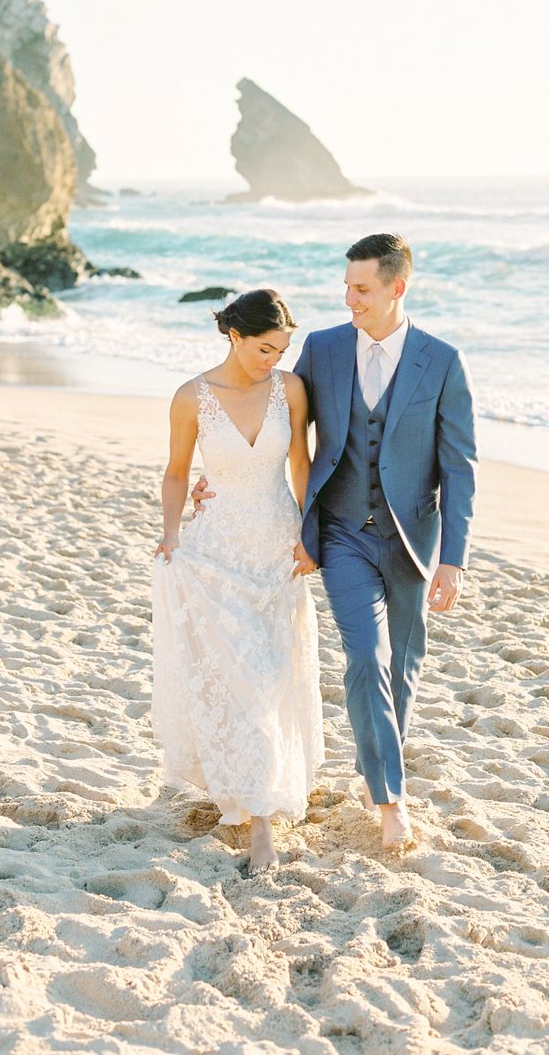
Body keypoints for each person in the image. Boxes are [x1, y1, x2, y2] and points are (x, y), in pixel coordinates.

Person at [196, 233, 475, 849]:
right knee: (365, 657)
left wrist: (453, 559)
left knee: (402, 667)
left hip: (411, 543)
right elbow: (273, 420)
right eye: (347, 285)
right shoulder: (321, 351)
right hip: (343, 532)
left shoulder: (442, 361)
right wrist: (214, 478)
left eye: (362, 288)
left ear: (397, 288)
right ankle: (389, 801)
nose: (348, 298)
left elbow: (459, 467)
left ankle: (377, 764)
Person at [151, 289, 324, 877]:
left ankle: (259, 792)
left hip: (276, 548)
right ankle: (259, 827)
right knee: (240, 680)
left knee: (273, 675)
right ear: (234, 335)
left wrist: (309, 533)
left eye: (281, 350)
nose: (271, 360)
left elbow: (300, 463)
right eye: (263, 348)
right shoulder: (191, 398)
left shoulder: (290, 390)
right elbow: (176, 474)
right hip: (217, 551)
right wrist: (171, 533)